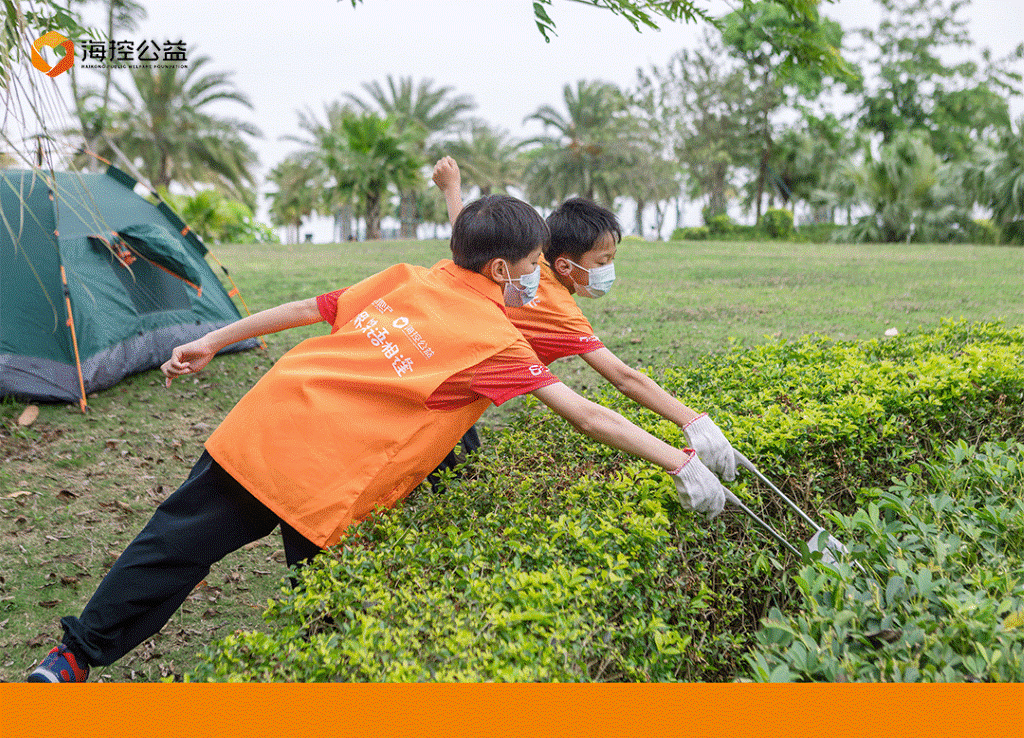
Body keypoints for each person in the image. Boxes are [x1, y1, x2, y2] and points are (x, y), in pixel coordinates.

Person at [27, 194, 726, 683]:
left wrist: (212, 337)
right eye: (535, 266)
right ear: (499, 271)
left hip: (267, 422)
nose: (539, 277)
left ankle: (70, 662)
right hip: (327, 472)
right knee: (338, 598)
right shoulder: (494, 338)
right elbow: (586, 412)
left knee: (170, 549)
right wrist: (679, 459)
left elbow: (307, 309)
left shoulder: (406, 280)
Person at [431, 156, 738, 483]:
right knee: (451, 482)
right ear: (563, 265)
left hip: (444, 382)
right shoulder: (555, 306)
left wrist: (453, 190)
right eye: (603, 261)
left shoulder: (513, 266)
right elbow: (623, 379)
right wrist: (693, 422)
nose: (609, 270)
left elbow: (472, 241)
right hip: (441, 401)